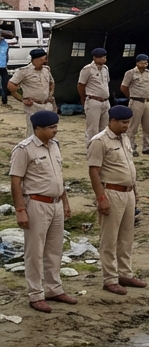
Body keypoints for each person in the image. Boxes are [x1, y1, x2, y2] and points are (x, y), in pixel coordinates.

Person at [11, 111, 76, 312]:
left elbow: (59, 176)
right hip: (36, 203)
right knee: (34, 251)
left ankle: (54, 288)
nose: (55, 131)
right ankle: (35, 294)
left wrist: (65, 201)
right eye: (51, 127)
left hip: (55, 202)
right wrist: (20, 209)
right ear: (37, 128)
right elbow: (16, 181)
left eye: (56, 126)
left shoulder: (55, 146)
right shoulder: (24, 149)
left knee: (55, 249)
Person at [87, 105, 146, 295]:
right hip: (111, 191)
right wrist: (101, 197)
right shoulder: (99, 141)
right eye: (122, 122)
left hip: (128, 192)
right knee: (109, 238)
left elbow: (129, 165)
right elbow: (94, 171)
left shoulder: (125, 138)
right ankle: (110, 278)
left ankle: (125, 274)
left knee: (127, 236)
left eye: (128, 122)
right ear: (111, 121)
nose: (126, 126)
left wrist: (135, 192)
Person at [9, 49, 57, 137]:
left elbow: (51, 82)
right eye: (44, 59)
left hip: (47, 104)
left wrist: (50, 94)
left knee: (49, 130)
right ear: (37, 59)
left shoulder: (46, 70)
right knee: (33, 131)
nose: (45, 61)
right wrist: (22, 99)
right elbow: (11, 86)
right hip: (33, 106)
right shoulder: (24, 71)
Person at [121, 54, 149, 154]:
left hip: (146, 101)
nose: (145, 64)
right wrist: (131, 97)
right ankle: (130, 147)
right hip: (136, 101)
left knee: (148, 125)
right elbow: (124, 87)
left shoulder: (147, 72)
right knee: (133, 126)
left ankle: (147, 147)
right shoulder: (131, 73)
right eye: (142, 62)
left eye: (146, 62)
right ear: (137, 63)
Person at [77, 47, 112, 144]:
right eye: (101, 57)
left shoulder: (105, 68)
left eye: (104, 57)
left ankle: (102, 147)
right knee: (93, 128)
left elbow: (106, 83)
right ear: (95, 58)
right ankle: (91, 147)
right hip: (93, 100)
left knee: (104, 127)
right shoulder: (87, 69)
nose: (103, 59)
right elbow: (81, 85)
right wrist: (83, 97)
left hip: (105, 101)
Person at [0, 30, 11, 105]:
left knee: (4, 83)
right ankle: (4, 98)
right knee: (4, 82)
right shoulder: (5, 44)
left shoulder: (5, 44)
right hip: (3, 65)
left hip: (3, 66)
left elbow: (6, 55)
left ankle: (4, 98)